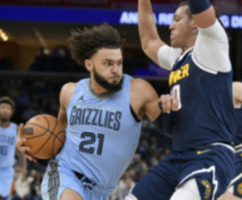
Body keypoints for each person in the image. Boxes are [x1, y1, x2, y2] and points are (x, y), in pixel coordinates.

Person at [16, 23, 178, 200]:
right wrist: (31, 145)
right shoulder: (69, 92)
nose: (115, 70)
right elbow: (56, 137)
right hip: (66, 175)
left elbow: (173, 128)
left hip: (103, 192)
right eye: (108, 64)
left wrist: (169, 105)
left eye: (119, 63)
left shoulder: (137, 91)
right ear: (89, 65)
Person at [125, 0, 236, 199]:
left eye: (177, 19)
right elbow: (149, 42)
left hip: (211, 154)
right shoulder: (178, 56)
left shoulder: (212, 44)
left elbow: (201, 6)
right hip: (179, 156)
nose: (170, 25)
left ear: (195, 23)